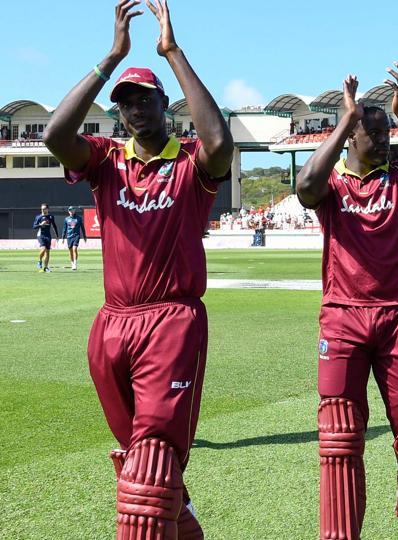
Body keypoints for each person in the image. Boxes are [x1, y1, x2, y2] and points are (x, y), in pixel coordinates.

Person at [43, 1, 234, 537]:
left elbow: (221, 144)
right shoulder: (105, 159)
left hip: (170, 322)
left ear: (163, 103)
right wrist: (113, 57)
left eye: (144, 98)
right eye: (125, 102)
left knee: (149, 466)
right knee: (136, 459)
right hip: (112, 324)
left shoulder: (191, 162)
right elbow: (56, 135)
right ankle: (185, 519)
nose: (134, 109)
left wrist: (170, 52)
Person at [295, 63, 398, 540]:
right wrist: (345, 118)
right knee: (340, 435)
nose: (384, 140)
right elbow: (304, 188)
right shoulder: (332, 184)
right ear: (351, 136)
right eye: (374, 131)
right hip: (342, 317)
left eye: (387, 132)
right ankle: (341, 533)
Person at [32, 203, 59, 272]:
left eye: (44, 209)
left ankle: (46, 267)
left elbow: (54, 226)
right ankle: (39, 260)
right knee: (43, 249)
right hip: (41, 235)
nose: (42, 210)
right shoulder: (38, 217)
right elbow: (34, 226)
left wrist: (57, 235)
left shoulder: (51, 217)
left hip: (48, 236)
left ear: (47, 209)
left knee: (48, 252)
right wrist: (41, 224)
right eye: (42, 209)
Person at [61, 206, 87, 271]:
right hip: (69, 236)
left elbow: (82, 227)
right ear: (68, 211)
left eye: (72, 210)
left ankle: (75, 263)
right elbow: (64, 228)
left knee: (74, 249)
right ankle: (72, 263)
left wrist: (84, 236)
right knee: (70, 250)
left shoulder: (79, 218)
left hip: (76, 235)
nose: (71, 211)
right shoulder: (66, 219)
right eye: (70, 210)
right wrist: (63, 238)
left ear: (74, 210)